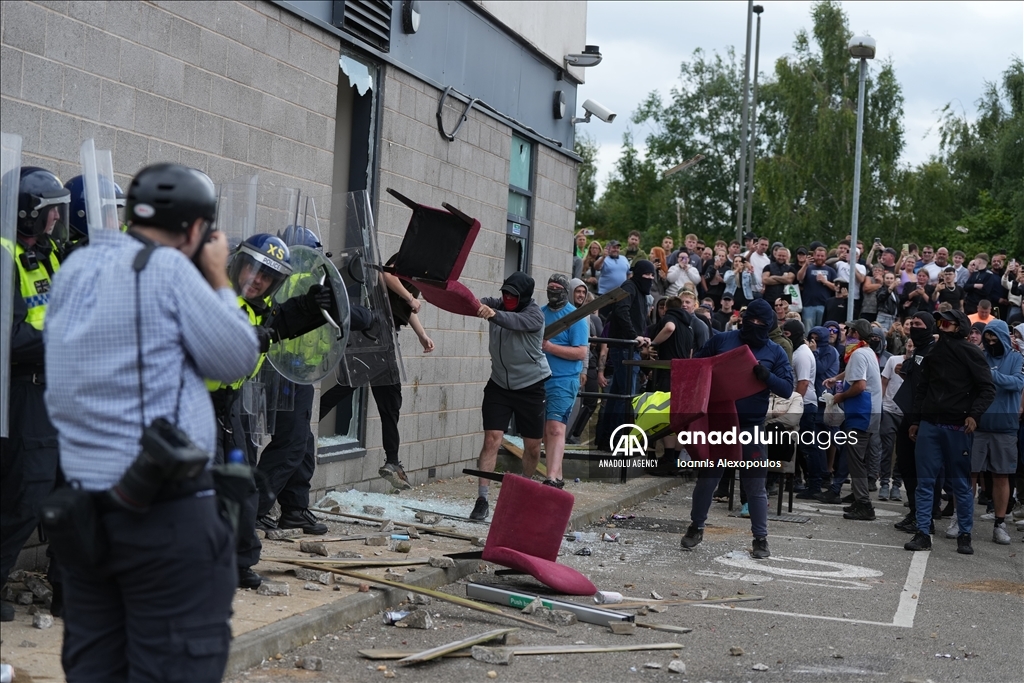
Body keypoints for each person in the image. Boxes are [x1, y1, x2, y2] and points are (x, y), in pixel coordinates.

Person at [44, 163, 259, 680]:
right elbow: (235, 358)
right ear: (194, 230)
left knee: (96, 665)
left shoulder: (75, 267)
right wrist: (217, 279)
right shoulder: (167, 270)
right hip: (163, 516)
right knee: (174, 665)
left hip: (85, 515)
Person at [212, 230, 341, 584]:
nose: (256, 281)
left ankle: (238, 563)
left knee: (242, 485)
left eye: (267, 276)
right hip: (195, 403)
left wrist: (313, 306)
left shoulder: (259, 309)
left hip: (228, 406)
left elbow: (279, 322)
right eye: (252, 270)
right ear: (238, 265)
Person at [0, 167, 70, 623]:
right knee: (26, 495)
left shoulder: (47, 256)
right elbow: (9, 337)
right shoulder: (4, 256)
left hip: (63, 393)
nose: (55, 221)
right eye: (48, 213)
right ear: (25, 213)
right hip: (26, 393)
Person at [679, 298, 793, 559]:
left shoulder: (775, 351)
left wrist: (767, 377)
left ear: (769, 325)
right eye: (750, 320)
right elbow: (696, 366)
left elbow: (787, 388)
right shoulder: (723, 340)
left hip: (752, 426)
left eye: (761, 323)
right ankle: (696, 526)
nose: (755, 326)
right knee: (707, 480)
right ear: (743, 318)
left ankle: (760, 539)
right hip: (719, 424)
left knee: (755, 485)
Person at [317, 253, 434, 491]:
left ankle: (392, 461)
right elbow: (384, 275)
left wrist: (422, 334)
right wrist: (410, 297)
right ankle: (392, 461)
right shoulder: (408, 258)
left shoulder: (419, 272)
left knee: (367, 395)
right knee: (384, 399)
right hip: (376, 333)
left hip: (381, 334)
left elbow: (403, 307)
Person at [904, 310, 995, 554]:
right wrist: (916, 420)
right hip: (930, 425)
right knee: (924, 483)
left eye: (947, 322)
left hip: (958, 427)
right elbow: (922, 388)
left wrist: (974, 415)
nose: (942, 326)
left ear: (959, 326)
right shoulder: (932, 352)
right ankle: (923, 532)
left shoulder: (971, 353)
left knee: (961, 485)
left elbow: (988, 388)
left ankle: (965, 534)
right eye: (940, 322)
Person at [471, 272, 550, 519]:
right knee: (492, 439)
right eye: (504, 293)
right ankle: (482, 499)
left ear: (524, 296)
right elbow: (472, 302)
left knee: (533, 448)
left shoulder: (534, 314)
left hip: (531, 386)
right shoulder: (497, 305)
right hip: (499, 385)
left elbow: (514, 322)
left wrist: (493, 314)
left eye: (512, 295)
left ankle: (524, 492)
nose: (506, 298)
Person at [822, 319, 883, 520]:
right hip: (867, 411)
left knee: (855, 459)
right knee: (856, 457)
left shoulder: (857, 353)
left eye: (848, 330)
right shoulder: (867, 351)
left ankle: (864, 504)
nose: (845, 333)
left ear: (855, 333)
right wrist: (836, 379)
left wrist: (839, 397)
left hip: (862, 412)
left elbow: (860, 385)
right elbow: (853, 373)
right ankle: (859, 500)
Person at [971, 320, 1024, 545]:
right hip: (978, 425)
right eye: (988, 338)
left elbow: (1017, 383)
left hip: (1005, 427)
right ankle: (960, 518)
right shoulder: (980, 356)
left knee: (1001, 476)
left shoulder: (1017, 358)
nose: (991, 342)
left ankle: (1000, 523)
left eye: (995, 339)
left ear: (1002, 338)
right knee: (969, 474)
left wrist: (991, 375)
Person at [597, 261, 655, 449]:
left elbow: (633, 316)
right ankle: (616, 440)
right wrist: (633, 336)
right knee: (626, 396)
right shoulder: (629, 287)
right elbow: (621, 311)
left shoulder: (635, 290)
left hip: (628, 347)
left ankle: (607, 439)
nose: (651, 279)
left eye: (653, 275)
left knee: (617, 395)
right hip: (625, 348)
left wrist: (640, 337)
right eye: (647, 275)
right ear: (638, 274)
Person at [539, 274, 589, 488]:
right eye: (550, 287)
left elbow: (580, 352)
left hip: (564, 379)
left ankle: (550, 478)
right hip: (540, 378)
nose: (553, 291)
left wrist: (550, 347)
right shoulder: (540, 314)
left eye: (558, 288)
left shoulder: (576, 317)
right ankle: (557, 476)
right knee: (546, 431)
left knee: (556, 427)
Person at [567, 279, 602, 444]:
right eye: (577, 291)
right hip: (564, 364)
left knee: (587, 401)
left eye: (583, 292)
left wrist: (585, 369)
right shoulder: (563, 311)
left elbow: (586, 345)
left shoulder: (586, 315)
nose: (581, 295)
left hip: (584, 364)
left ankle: (573, 435)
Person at [798, 245, 837, 329]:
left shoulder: (830, 270)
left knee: (822, 330)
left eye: (822, 256)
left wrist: (825, 281)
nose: (820, 258)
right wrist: (805, 265)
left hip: (824, 305)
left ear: (825, 257)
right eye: (818, 255)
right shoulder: (808, 268)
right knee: (808, 330)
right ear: (814, 256)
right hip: (808, 305)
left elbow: (836, 288)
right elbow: (799, 278)